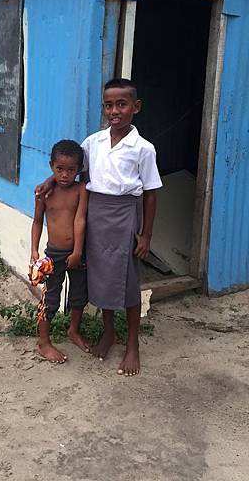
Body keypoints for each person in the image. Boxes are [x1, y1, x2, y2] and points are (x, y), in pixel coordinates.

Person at [36, 79, 162, 376]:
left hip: (125, 215)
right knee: (103, 276)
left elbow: (151, 193)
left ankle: (132, 344)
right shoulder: (93, 143)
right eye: (109, 105)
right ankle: (108, 331)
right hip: (95, 214)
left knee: (128, 279)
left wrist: (146, 234)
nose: (115, 111)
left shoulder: (143, 149)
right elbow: (70, 169)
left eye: (122, 104)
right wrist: (49, 181)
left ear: (136, 107)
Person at [31, 139, 89, 364]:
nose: (65, 175)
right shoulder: (44, 194)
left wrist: (77, 251)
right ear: (51, 166)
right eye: (59, 169)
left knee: (79, 295)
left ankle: (73, 330)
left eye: (71, 170)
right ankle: (44, 342)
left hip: (77, 253)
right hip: (53, 255)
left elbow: (80, 219)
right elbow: (37, 222)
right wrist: (34, 251)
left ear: (79, 170)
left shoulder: (81, 190)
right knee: (50, 298)